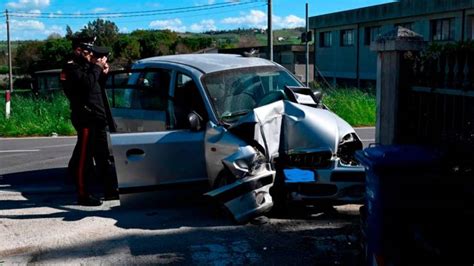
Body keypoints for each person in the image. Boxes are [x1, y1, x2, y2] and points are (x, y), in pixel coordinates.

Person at [61, 36, 117, 206]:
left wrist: (103, 72)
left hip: (98, 117)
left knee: (103, 156)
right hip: (86, 118)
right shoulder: (72, 68)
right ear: (78, 50)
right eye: (87, 52)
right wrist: (97, 67)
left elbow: (96, 87)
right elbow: (85, 85)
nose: (90, 56)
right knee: (85, 159)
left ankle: (110, 190)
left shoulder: (87, 67)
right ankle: (83, 194)